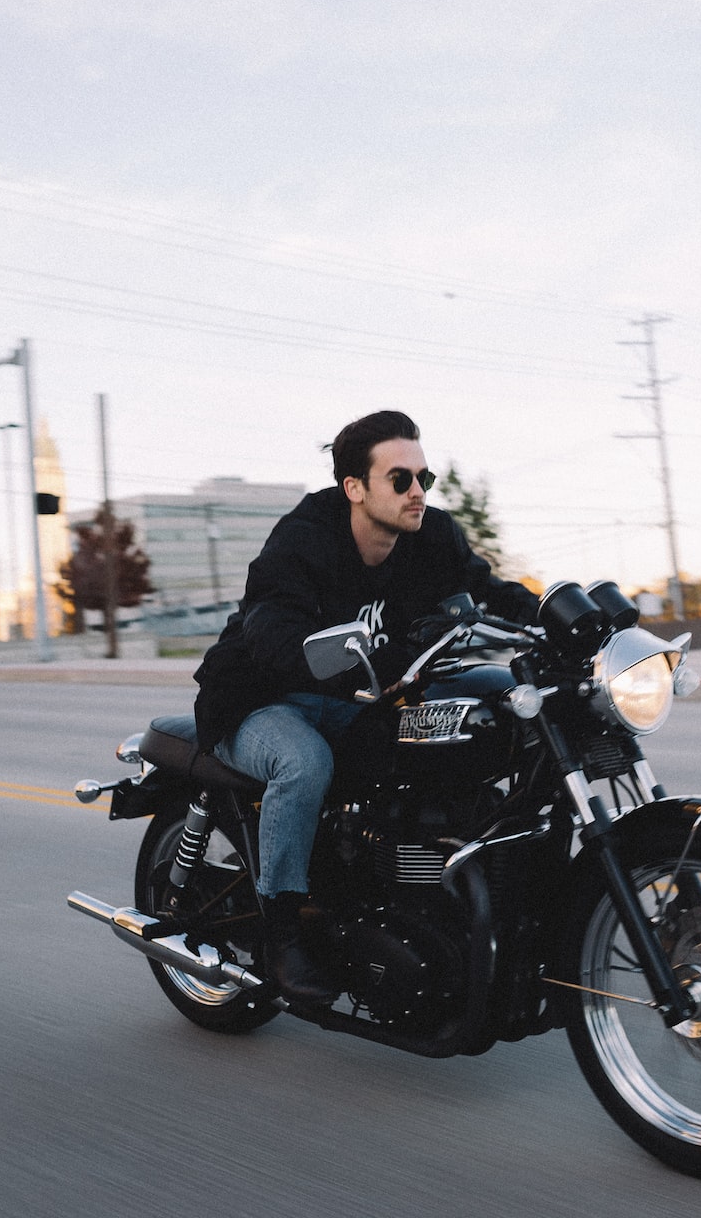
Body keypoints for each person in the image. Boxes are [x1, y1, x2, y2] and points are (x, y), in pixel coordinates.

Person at [191, 410, 540, 1003]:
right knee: (305, 765)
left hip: (361, 699)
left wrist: (568, 616)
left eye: (424, 479)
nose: (417, 494)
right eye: (399, 480)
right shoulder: (305, 537)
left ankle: (415, 903)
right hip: (261, 702)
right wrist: (363, 660)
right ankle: (282, 933)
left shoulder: (432, 538)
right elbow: (271, 627)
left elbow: (488, 591)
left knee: (451, 747)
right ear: (355, 488)